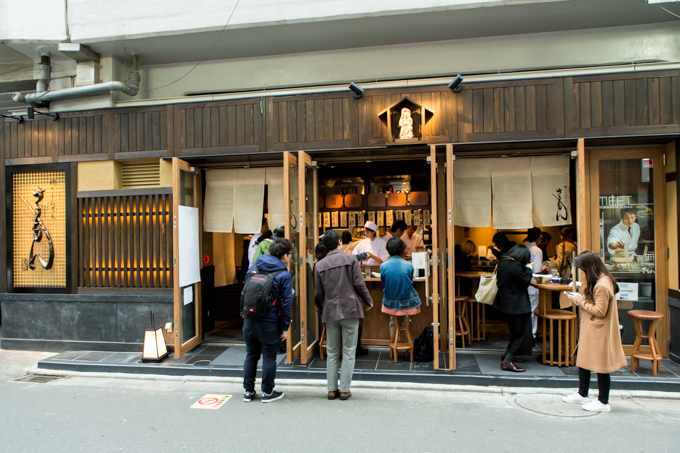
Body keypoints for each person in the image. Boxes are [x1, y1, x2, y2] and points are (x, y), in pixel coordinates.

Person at [563, 251, 627, 412]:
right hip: (594, 328)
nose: (582, 274)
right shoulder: (603, 280)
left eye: (583, 270)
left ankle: (603, 401)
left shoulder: (602, 286)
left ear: (589, 268)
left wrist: (578, 300)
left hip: (600, 330)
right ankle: (582, 393)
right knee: (584, 360)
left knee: (601, 366)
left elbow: (600, 311)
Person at [314, 229, 373, 401]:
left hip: (330, 310)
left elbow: (319, 293)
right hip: (350, 308)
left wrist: (325, 305)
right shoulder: (351, 259)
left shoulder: (319, 265)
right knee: (348, 351)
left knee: (332, 352)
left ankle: (332, 390)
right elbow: (359, 284)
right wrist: (368, 301)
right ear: (340, 241)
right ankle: (345, 390)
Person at [242, 237, 293, 404]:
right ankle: (268, 392)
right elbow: (286, 303)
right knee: (269, 357)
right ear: (284, 255)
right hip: (269, 322)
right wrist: (285, 327)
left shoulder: (254, 267)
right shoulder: (283, 274)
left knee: (251, 355)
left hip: (249, 319)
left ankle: (248, 391)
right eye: (290, 254)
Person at [493, 244, 534, 372]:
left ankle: (507, 355)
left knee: (515, 332)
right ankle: (507, 361)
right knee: (522, 333)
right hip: (517, 305)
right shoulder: (515, 265)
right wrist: (529, 269)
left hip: (506, 304)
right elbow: (525, 282)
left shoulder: (503, 263)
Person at [380, 238, 421, 315]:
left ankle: (393, 323)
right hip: (409, 303)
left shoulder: (383, 266)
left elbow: (383, 283)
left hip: (389, 304)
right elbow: (410, 280)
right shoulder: (409, 265)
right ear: (402, 249)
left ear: (388, 250)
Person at [524, 227, 543, 339]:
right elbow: (537, 269)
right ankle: (532, 334)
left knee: (527, 309)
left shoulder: (525, 248)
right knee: (533, 309)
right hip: (533, 282)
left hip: (524, 282)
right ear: (539, 237)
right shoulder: (537, 250)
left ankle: (527, 332)